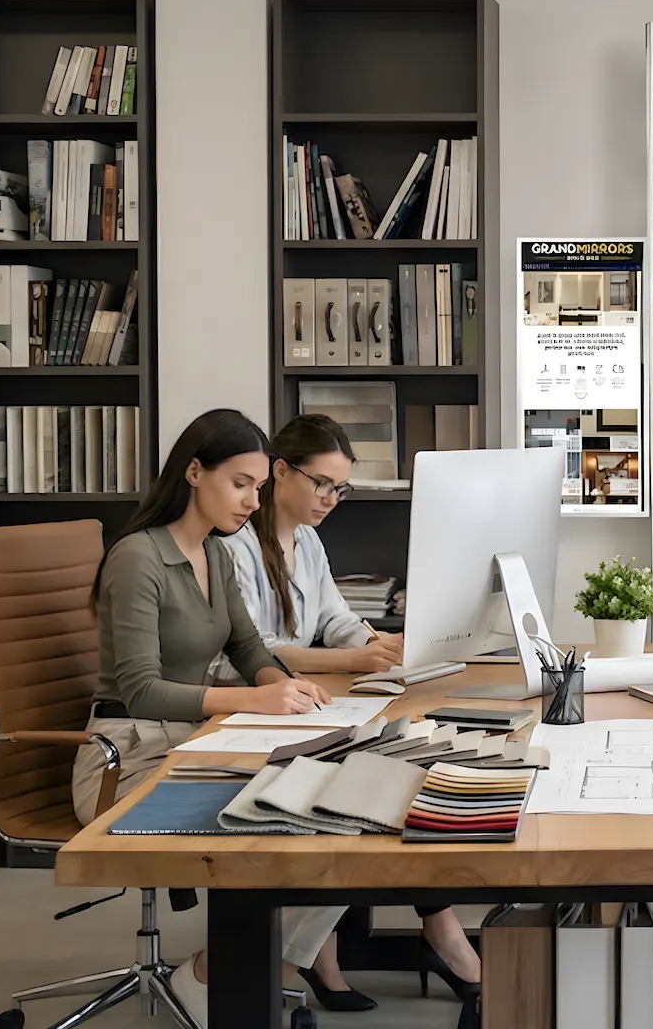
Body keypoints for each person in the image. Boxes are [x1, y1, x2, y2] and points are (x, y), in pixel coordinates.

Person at [69, 408, 344, 1028]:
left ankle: (243, 967)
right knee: (278, 822)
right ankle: (221, 974)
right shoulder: (138, 558)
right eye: (239, 483)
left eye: (258, 487)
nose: (252, 501)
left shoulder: (215, 553)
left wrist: (282, 685)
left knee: (332, 807)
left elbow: (247, 648)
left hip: (193, 740)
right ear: (194, 472)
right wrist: (254, 701)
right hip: (124, 756)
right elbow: (140, 690)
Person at [219, 412, 482, 1018]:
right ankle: (314, 952)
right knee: (362, 794)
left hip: (304, 701)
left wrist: (379, 644)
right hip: (259, 706)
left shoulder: (306, 541)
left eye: (340, 489)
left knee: (400, 767)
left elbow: (335, 617)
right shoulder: (234, 547)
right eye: (321, 484)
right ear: (280, 472)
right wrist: (352, 657)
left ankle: (326, 949)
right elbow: (254, 648)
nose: (330, 500)